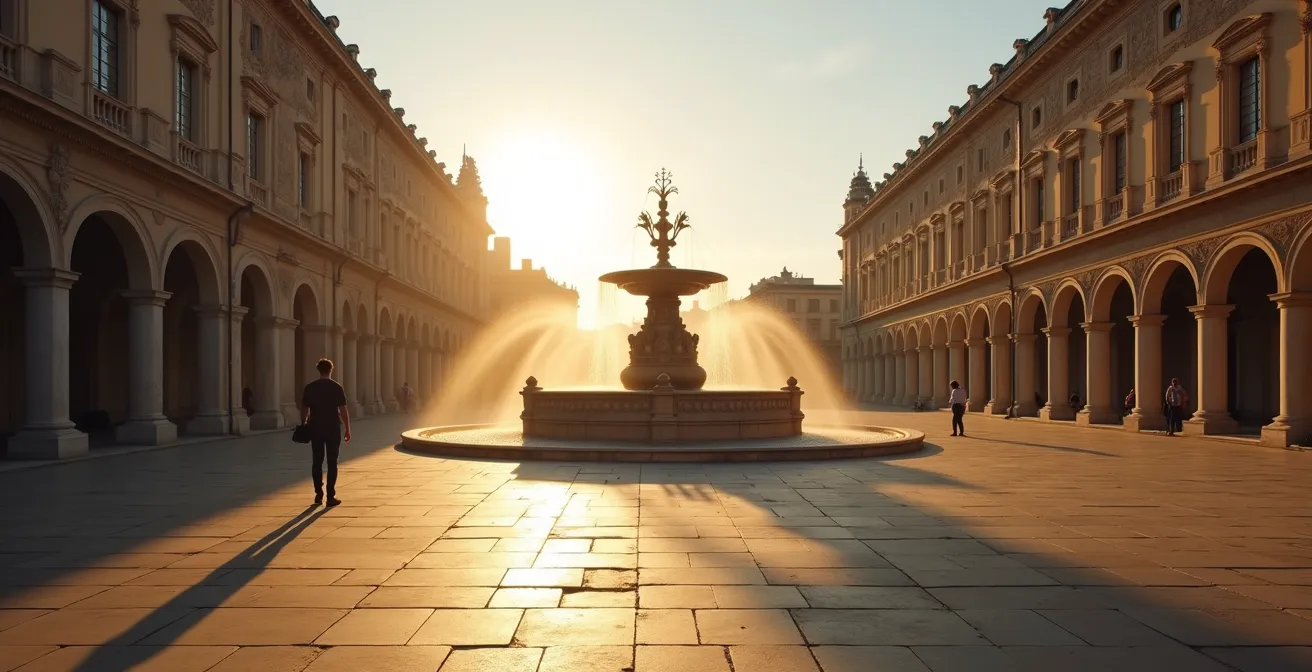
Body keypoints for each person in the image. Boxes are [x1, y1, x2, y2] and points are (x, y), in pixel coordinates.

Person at [301, 358, 351, 506]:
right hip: (332, 428)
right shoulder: (337, 387)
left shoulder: (310, 387)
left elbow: (305, 408)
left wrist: (303, 423)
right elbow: (343, 410)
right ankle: (330, 496)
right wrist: (348, 428)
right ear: (331, 369)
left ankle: (318, 493)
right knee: (332, 462)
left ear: (318, 370)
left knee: (317, 461)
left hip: (315, 427)